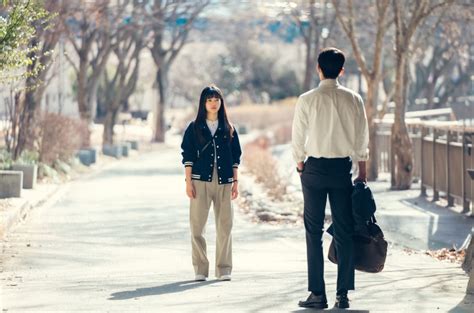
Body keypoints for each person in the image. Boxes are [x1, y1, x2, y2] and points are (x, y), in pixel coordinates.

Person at [292, 48, 369, 309]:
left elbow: (297, 136)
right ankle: (342, 295)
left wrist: (300, 164)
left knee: (313, 232)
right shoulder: (354, 99)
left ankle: (317, 294)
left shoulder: (307, 99)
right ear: (342, 70)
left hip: (313, 169)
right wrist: (363, 171)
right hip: (341, 170)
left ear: (318, 68)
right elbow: (362, 137)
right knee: (344, 232)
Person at [181, 84, 242, 282]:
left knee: (225, 226)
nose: (213, 103)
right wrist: (188, 182)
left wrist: (236, 182)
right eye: (209, 100)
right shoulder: (194, 127)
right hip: (200, 181)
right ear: (203, 103)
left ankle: (224, 269)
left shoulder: (229, 128)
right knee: (197, 226)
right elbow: (188, 155)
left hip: (225, 181)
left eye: (217, 100)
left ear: (221, 102)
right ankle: (200, 269)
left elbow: (235, 157)